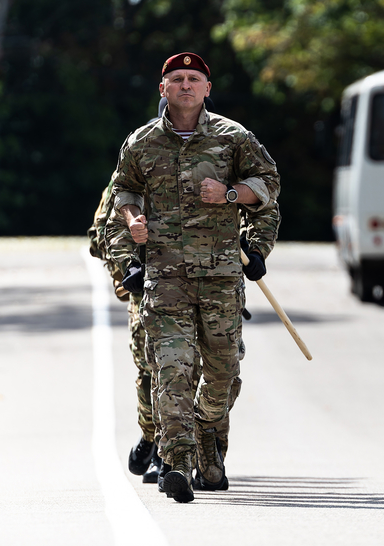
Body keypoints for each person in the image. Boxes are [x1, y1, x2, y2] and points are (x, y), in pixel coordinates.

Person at [110, 52, 280, 503]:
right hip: (164, 280)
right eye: (176, 79)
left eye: (194, 79)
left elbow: (268, 186)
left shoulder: (233, 138)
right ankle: (177, 463)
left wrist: (230, 197)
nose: (185, 85)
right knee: (171, 370)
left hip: (221, 277)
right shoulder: (141, 143)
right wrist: (132, 223)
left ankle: (208, 435)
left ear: (207, 88)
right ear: (162, 89)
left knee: (222, 374)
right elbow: (122, 192)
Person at [88, 177, 163, 483]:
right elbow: (99, 235)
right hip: (144, 285)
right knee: (150, 368)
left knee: (192, 368)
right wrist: (127, 268)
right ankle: (153, 439)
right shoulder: (126, 181)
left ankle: (177, 449)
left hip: (192, 283)